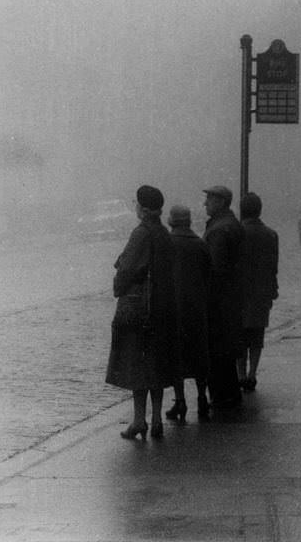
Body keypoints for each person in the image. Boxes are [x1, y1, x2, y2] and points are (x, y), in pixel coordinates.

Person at [105, 185, 177, 440]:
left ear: (143, 209)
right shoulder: (164, 234)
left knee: (138, 365)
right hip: (161, 308)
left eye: (137, 204)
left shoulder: (141, 234)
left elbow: (126, 271)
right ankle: (156, 418)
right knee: (156, 364)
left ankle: (139, 420)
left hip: (139, 310)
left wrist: (119, 285)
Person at [165, 204, 212, 422]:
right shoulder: (200, 245)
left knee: (177, 357)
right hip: (197, 308)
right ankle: (202, 397)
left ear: (172, 221)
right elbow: (208, 276)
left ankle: (180, 401)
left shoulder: (168, 244)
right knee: (199, 355)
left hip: (174, 309)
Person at [202, 184, 244, 409]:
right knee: (226, 350)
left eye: (209, 199)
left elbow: (215, 268)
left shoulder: (219, 229)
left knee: (216, 350)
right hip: (231, 297)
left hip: (218, 300)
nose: (205, 203)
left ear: (220, 201)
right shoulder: (231, 225)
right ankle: (229, 392)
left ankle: (220, 396)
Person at [236, 191, 279, 392]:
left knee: (240, 334)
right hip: (261, 292)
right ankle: (252, 372)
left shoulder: (237, 233)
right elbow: (273, 266)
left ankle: (241, 374)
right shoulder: (270, 235)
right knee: (256, 335)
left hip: (240, 291)